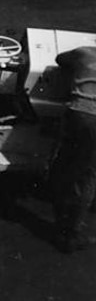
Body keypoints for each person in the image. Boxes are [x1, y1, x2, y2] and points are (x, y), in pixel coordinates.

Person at [51, 45, 96, 252]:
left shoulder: (84, 52)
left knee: (65, 164)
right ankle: (71, 234)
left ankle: (60, 217)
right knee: (88, 176)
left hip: (75, 113)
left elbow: (60, 59)